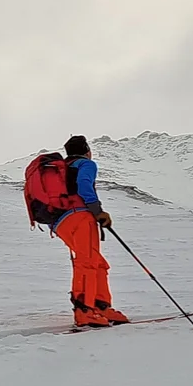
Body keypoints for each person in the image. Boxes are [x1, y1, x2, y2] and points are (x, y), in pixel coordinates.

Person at [50, 135, 129, 329]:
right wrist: (98, 211)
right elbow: (84, 186)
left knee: (96, 261)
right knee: (88, 262)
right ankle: (85, 311)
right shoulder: (86, 164)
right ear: (87, 150)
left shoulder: (60, 168)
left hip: (59, 222)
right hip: (80, 216)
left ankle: (101, 306)